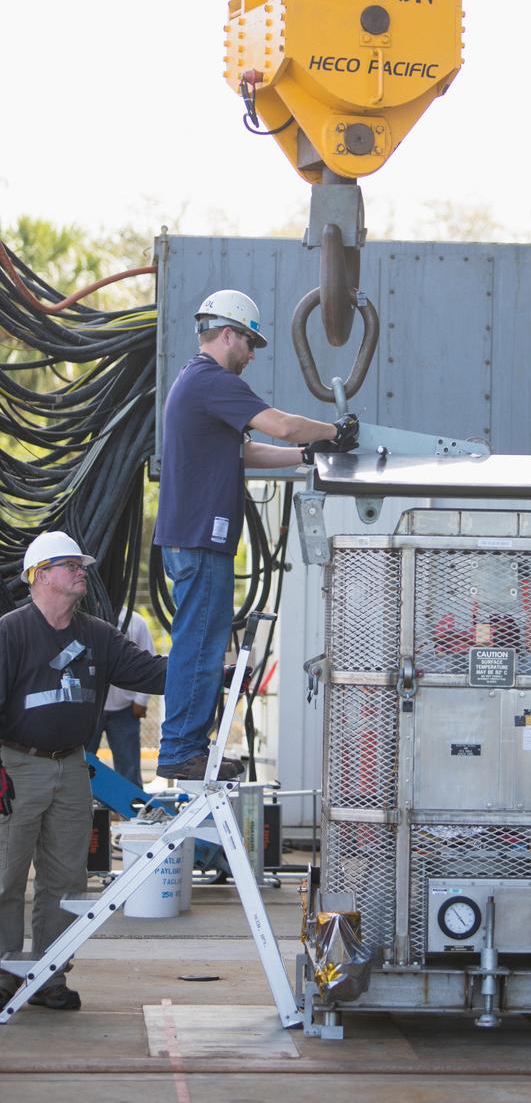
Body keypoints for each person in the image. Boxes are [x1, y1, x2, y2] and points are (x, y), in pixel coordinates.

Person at [154, 288, 358, 782]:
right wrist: (333, 433)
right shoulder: (212, 380)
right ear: (228, 335)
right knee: (200, 644)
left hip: (196, 537)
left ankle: (186, 744)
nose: (250, 355)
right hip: (201, 538)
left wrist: (307, 457)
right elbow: (283, 426)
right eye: (250, 343)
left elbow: (247, 452)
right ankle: (182, 748)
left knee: (200, 642)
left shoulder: (195, 383)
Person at [0, 531, 168, 1012]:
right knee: (5, 876)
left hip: (72, 767)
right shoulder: (10, 633)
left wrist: (209, 669)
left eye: (81, 564)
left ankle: (49, 975)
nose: (81, 571)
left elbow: (148, 673)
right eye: (69, 564)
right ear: (40, 575)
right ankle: (5, 972)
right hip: (16, 766)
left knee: (66, 878)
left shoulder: (95, 634)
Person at [86, 609, 155, 787]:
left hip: (124, 709)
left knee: (129, 768)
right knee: (80, 764)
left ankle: (131, 810)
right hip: (90, 707)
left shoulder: (135, 622)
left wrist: (141, 700)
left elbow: (148, 659)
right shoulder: (85, 619)